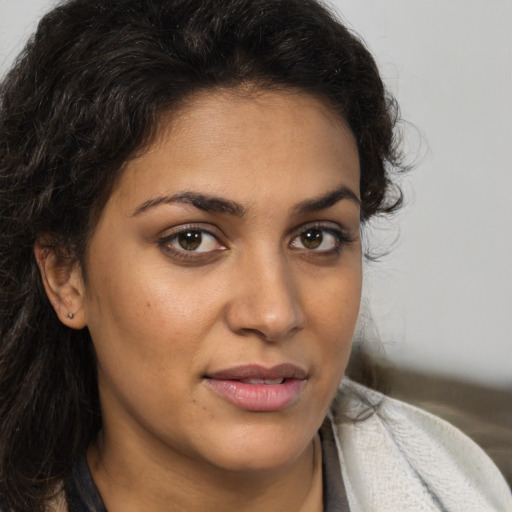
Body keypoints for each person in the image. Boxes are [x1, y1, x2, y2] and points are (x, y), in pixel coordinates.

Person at [0, 0, 510, 511]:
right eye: (192, 240)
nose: (274, 313)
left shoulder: (469, 490)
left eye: (316, 237)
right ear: (66, 275)